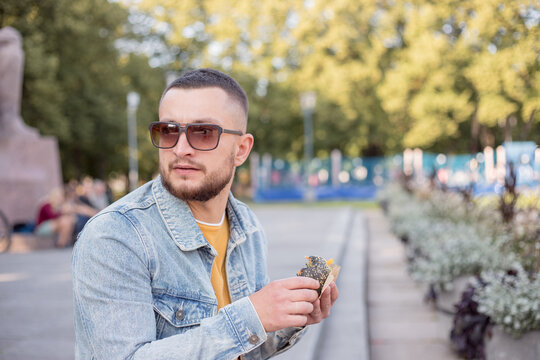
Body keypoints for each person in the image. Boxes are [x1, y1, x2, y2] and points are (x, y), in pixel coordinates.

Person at [72, 68, 339, 359]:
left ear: (241, 150)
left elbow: (243, 348)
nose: (181, 148)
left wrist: (290, 317)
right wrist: (252, 316)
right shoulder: (116, 236)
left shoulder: (246, 226)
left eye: (203, 133)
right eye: (169, 130)